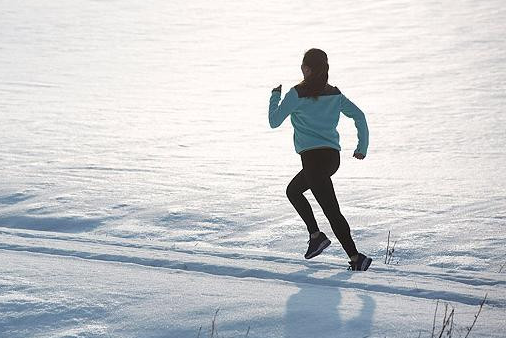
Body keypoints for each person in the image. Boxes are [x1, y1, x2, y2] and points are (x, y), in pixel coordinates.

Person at [268, 48, 372, 271]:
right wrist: (361, 147)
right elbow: (359, 116)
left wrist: (275, 96)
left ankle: (355, 257)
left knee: (331, 209)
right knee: (293, 191)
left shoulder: (296, 94)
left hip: (313, 161)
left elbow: (274, 121)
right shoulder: (334, 94)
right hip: (332, 159)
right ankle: (316, 236)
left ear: (306, 69)